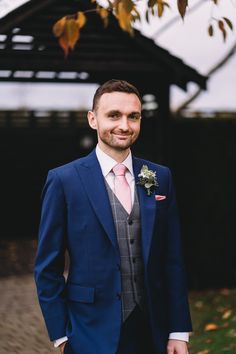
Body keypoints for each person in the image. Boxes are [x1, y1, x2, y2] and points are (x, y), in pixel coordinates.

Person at [34, 79, 192, 354]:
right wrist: (60, 335)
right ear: (93, 119)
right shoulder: (63, 180)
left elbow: (172, 258)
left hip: (152, 329)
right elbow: (47, 267)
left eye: (133, 117)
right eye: (114, 115)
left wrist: (178, 331)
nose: (124, 125)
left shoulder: (158, 177)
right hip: (89, 332)